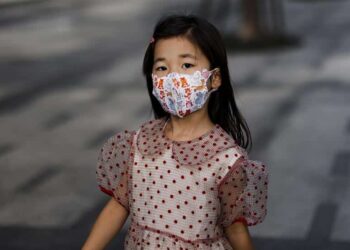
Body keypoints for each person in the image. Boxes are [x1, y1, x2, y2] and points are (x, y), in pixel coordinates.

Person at [82, 13, 268, 250]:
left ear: (215, 79)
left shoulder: (226, 160)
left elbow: (236, 230)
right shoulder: (140, 143)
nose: (173, 77)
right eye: (162, 67)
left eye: (187, 65)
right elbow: (118, 205)